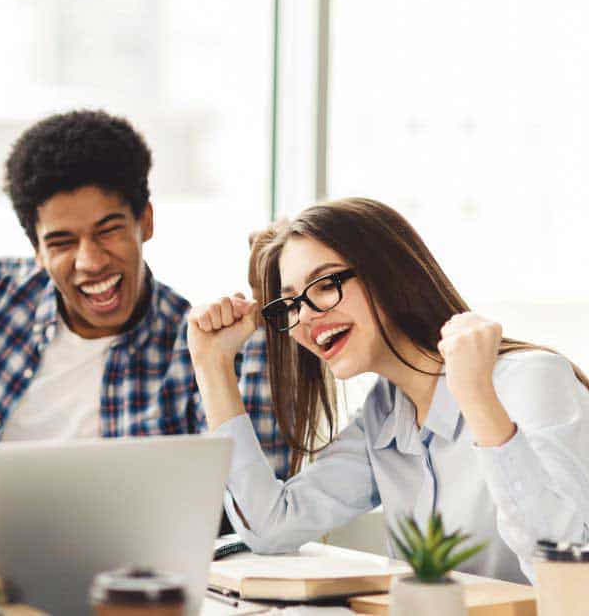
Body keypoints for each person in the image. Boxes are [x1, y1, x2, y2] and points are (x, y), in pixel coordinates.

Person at [0, 110, 289, 554]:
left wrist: (266, 324)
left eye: (108, 231)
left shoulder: (193, 350)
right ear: (36, 249)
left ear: (145, 221)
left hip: (129, 598)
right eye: (62, 242)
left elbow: (257, 514)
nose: (90, 262)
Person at [186, 197, 589, 584]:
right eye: (291, 305)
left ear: (389, 274)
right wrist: (213, 366)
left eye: (325, 284)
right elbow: (271, 527)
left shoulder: (532, 379)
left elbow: (564, 571)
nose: (306, 317)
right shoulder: (384, 414)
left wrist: (479, 400)